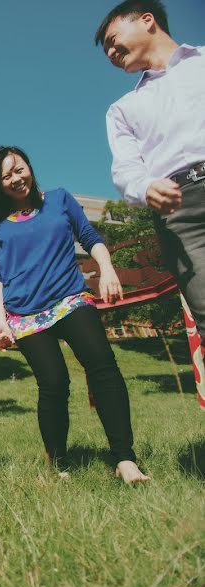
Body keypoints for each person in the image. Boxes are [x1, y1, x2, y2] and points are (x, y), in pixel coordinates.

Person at [0, 146, 149, 485]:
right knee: (54, 381)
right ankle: (59, 463)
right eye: (7, 176)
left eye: (20, 169)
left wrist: (108, 269)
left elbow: (89, 236)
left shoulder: (59, 199)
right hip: (25, 313)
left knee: (102, 365)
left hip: (69, 299)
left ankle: (124, 459)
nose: (17, 178)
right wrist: (0, 319)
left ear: (30, 166)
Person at [96, 0, 205, 339]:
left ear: (147, 20)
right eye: (106, 51)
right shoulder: (123, 110)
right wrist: (145, 188)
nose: (111, 52)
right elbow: (126, 168)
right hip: (180, 214)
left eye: (113, 39)